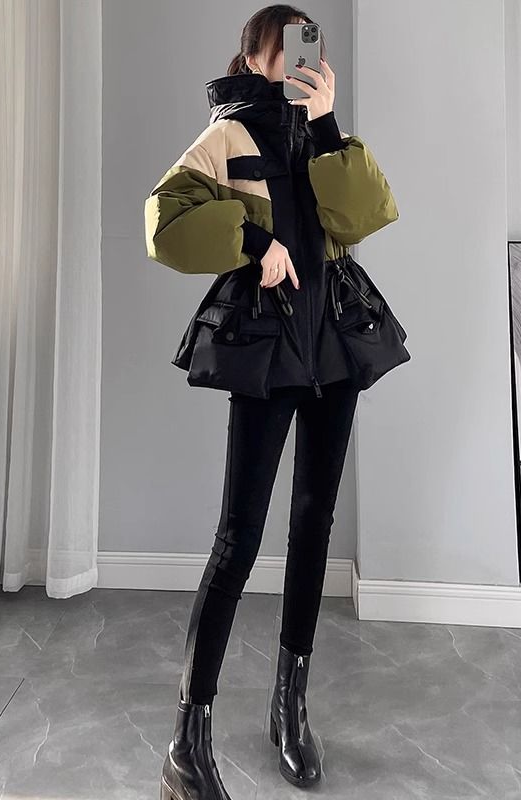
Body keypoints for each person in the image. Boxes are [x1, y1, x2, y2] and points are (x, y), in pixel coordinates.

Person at [144, 6, 402, 799]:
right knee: (239, 538)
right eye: (282, 44)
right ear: (256, 54)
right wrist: (254, 242)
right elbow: (164, 223)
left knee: (314, 524)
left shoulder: (322, 134)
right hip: (269, 350)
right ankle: (187, 743)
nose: (295, 57)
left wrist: (326, 126)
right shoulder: (226, 134)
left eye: (305, 45)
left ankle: (290, 707)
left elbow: (366, 216)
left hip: (335, 348)